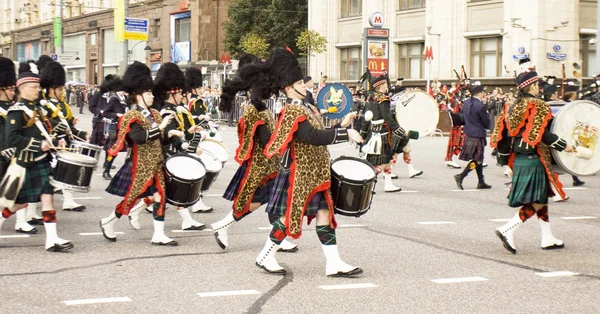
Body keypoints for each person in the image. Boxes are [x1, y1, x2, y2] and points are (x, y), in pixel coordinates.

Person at [258, 48, 363, 277]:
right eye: (300, 83)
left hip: (315, 172)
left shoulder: (306, 107)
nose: (306, 86)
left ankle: (333, 263)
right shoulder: (291, 111)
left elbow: (320, 133)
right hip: (300, 173)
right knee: (289, 218)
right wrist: (347, 135)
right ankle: (265, 256)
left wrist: (343, 126)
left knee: (325, 214)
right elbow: (311, 137)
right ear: (289, 88)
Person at [211, 53, 297, 252]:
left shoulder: (261, 107)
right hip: (260, 167)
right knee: (255, 202)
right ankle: (223, 225)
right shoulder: (253, 110)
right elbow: (268, 140)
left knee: (278, 201)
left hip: (270, 164)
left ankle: (278, 237)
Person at [491, 70, 574, 254]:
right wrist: (563, 145)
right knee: (538, 200)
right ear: (532, 86)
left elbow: (503, 137)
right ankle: (508, 228)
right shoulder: (538, 105)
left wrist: (505, 162)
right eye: (537, 85)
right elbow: (541, 133)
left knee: (541, 199)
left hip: (519, 159)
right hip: (534, 158)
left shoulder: (511, 105)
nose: (539, 88)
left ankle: (547, 237)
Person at [99, 61, 179, 246]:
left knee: (160, 195)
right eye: (148, 93)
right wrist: (161, 127)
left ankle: (158, 234)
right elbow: (140, 138)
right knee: (131, 197)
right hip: (140, 165)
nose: (152, 96)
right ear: (138, 95)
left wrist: (170, 133)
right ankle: (108, 221)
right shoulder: (132, 116)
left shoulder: (155, 114)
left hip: (157, 163)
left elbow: (160, 139)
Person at [0, 62, 73, 252]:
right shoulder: (16, 111)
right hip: (26, 163)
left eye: (38, 86)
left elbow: (45, 132)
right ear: (22, 89)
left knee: (47, 198)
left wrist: (57, 141)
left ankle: (52, 240)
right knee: (19, 203)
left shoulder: (38, 110)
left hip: (42, 161)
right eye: (34, 87)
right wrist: (37, 145)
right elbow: (13, 138)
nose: (37, 90)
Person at [38, 59, 90, 212]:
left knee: (66, 170)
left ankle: (68, 201)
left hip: (64, 142)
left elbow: (67, 124)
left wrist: (80, 133)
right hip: (51, 142)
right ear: (51, 89)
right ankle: (31, 211)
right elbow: (45, 122)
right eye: (60, 89)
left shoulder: (61, 105)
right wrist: (60, 128)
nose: (62, 92)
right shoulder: (43, 104)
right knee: (46, 175)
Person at [359, 75, 404, 192]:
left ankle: (388, 184)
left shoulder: (370, 100)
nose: (386, 87)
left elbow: (365, 120)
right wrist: (398, 130)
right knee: (383, 162)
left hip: (373, 133)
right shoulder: (382, 99)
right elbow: (387, 118)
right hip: (383, 133)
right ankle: (365, 182)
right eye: (384, 85)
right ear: (380, 86)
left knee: (388, 160)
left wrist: (362, 135)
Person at [185, 67, 214, 213]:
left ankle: (197, 200)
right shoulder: (194, 102)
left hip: (195, 136)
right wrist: (202, 118)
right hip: (191, 138)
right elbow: (190, 119)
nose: (201, 89)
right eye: (199, 87)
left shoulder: (194, 101)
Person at [453, 84, 492, 190]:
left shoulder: (466, 103)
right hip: (478, 134)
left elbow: (462, 116)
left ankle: (481, 182)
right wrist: (490, 126)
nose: (484, 94)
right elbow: (486, 121)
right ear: (479, 93)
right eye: (483, 93)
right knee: (477, 161)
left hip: (469, 132)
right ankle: (461, 176)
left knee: (478, 158)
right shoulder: (480, 106)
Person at [102, 80, 127, 180]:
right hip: (116, 127)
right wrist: (116, 114)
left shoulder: (125, 98)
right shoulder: (114, 99)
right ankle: (106, 170)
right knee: (113, 150)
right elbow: (106, 113)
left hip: (124, 127)